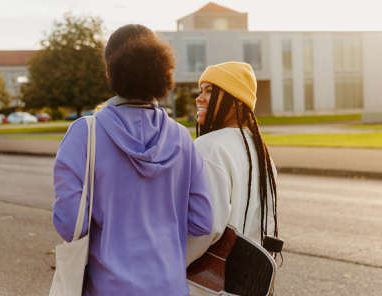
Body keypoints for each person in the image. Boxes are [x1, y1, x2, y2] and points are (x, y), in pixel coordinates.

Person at [52, 24, 214, 296]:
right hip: (170, 288)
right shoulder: (182, 138)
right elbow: (202, 222)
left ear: (109, 70)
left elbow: (70, 226)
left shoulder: (84, 133)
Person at [187, 61, 279, 295]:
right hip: (245, 283)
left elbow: (205, 228)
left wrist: (169, 263)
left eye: (210, 91)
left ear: (236, 102)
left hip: (203, 286)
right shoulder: (262, 153)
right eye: (201, 90)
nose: (199, 98)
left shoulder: (209, 148)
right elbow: (265, 223)